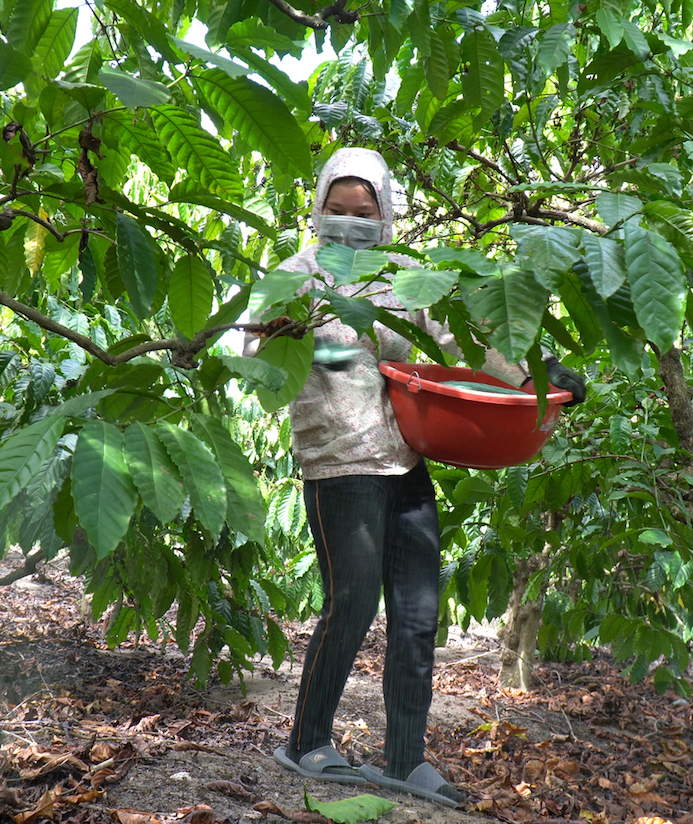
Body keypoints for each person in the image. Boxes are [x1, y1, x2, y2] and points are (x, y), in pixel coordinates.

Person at [255, 148, 586, 807]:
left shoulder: (403, 275)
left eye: (362, 213)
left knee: (416, 613)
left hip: (403, 458)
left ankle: (406, 760)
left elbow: (466, 341)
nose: (348, 223)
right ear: (318, 209)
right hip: (338, 463)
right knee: (351, 602)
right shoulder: (294, 275)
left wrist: (537, 377)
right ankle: (305, 740)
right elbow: (258, 364)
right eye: (336, 210)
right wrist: (278, 335)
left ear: (386, 215)